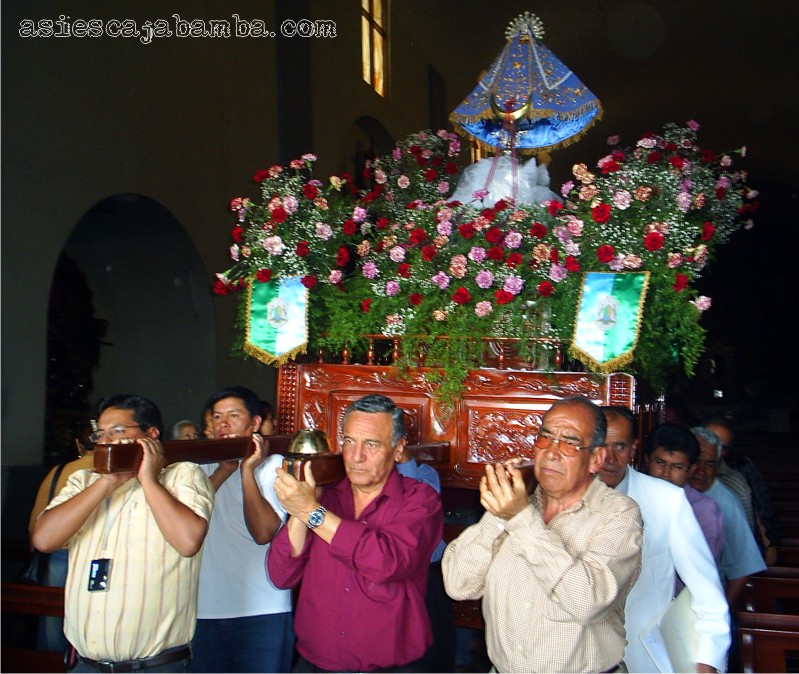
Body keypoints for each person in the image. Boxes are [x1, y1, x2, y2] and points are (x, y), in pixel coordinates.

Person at [442, 395, 643, 673]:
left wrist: (521, 518)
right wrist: (501, 515)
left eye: (570, 443)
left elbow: (587, 601)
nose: (551, 451)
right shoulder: (518, 504)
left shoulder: (618, 514)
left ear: (595, 458)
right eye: (545, 438)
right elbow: (457, 584)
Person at [31, 394, 214, 672]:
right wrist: (107, 483)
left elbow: (188, 541)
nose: (107, 440)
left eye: (118, 431)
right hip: (87, 665)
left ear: (151, 434)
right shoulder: (84, 481)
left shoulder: (182, 475)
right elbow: (44, 540)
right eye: (100, 433)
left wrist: (148, 480)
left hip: (154, 666)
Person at [267, 394, 443, 673]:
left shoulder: (419, 501)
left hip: (391, 667)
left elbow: (386, 561)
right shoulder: (326, 497)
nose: (356, 456)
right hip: (315, 663)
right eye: (349, 441)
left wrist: (313, 513)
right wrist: (301, 511)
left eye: (371, 444)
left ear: (398, 449)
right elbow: (281, 574)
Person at [599, 407, 730, 673]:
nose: (609, 459)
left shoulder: (667, 500)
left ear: (634, 449)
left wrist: (707, 659)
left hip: (641, 655)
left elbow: (707, 591)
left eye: (620, 447)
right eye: (602, 446)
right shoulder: (565, 497)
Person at [191, 386, 294, 673]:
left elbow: (263, 533)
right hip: (206, 608)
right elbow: (189, 518)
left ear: (255, 423)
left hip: (263, 610)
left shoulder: (274, 465)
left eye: (233, 416)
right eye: (217, 417)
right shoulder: (200, 468)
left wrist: (247, 470)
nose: (223, 424)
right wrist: (224, 470)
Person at [27, 417, 97, 653]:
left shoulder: (59, 472)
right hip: (97, 557)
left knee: (53, 620)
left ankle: (53, 664)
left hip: (59, 553)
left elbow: (35, 522)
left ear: (78, 445)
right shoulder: (115, 471)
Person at [688, 426, 767, 607]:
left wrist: (721, 612)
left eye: (708, 464)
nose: (700, 470)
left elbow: (742, 567)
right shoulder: (673, 491)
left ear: (717, 466)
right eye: (696, 461)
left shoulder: (727, 502)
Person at [395, 438, 454, 673]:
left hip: (428, 572)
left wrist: (405, 461)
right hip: (393, 572)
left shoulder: (425, 473)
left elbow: (422, 507)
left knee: (433, 648)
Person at [705, 417, 782, 564]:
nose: (713, 449)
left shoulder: (739, 476)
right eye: (709, 441)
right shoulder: (679, 473)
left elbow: (747, 536)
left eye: (722, 446)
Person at [645, 423, 725, 563]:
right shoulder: (629, 498)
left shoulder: (703, 510)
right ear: (647, 461)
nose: (666, 473)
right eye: (660, 462)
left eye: (677, 466)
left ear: (691, 470)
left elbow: (699, 568)